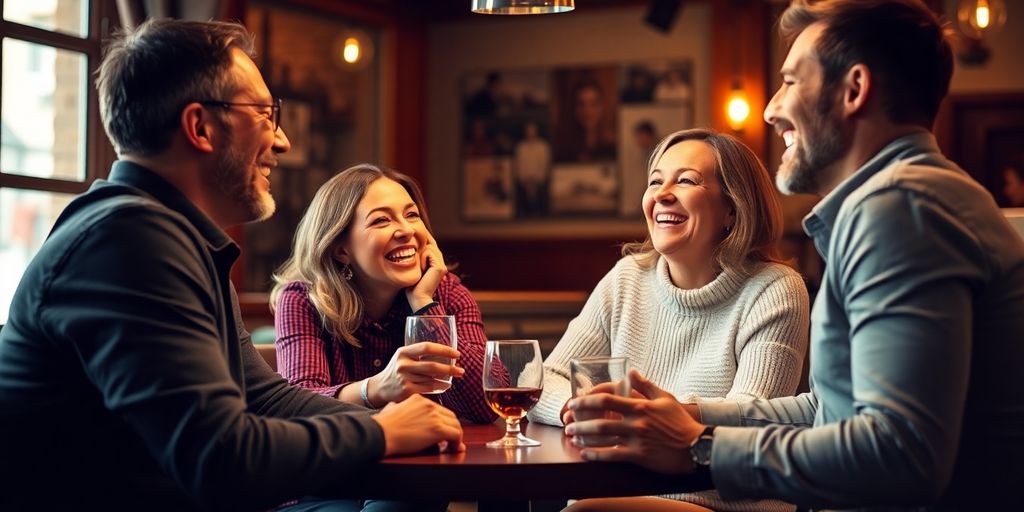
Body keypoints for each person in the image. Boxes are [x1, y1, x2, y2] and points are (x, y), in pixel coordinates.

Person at [564, 1, 1024, 510]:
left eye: (789, 81)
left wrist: (699, 447)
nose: (769, 108)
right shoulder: (909, 198)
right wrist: (689, 413)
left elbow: (901, 455)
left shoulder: (900, 209)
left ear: (853, 90)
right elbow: (827, 410)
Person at [0, 19, 463, 511]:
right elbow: (221, 459)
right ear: (200, 127)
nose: (282, 140)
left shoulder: (170, 237)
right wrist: (379, 432)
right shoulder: (127, 241)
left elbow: (268, 399)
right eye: (264, 114)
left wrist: (385, 423)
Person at [529, 128, 809, 511]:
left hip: (724, 501)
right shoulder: (627, 278)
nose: (661, 193)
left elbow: (755, 415)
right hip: (620, 489)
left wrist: (645, 417)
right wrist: (578, 410)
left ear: (733, 208)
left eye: (687, 180)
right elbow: (543, 379)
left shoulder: (774, 288)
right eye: (655, 181)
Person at [271, 164, 496, 425]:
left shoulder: (447, 292)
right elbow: (297, 406)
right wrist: (376, 388)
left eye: (412, 215)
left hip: (431, 461)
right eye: (381, 220)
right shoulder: (303, 300)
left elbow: (487, 405)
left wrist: (424, 305)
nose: (407, 231)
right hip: (349, 463)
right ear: (341, 250)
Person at [558, 77, 617, 162]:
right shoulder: (562, 150)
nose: (587, 112)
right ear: (574, 108)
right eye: (581, 104)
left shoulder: (613, 148)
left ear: (601, 107)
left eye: (593, 104)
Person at [513, 120, 552, 216]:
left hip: (539, 180)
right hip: (524, 180)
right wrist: (524, 180)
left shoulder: (543, 146)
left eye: (532, 130)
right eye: (528, 131)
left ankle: (541, 212)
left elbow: (544, 165)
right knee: (523, 189)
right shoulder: (520, 147)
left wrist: (536, 179)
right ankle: (524, 213)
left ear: (536, 131)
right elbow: (518, 166)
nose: (530, 133)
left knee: (538, 189)